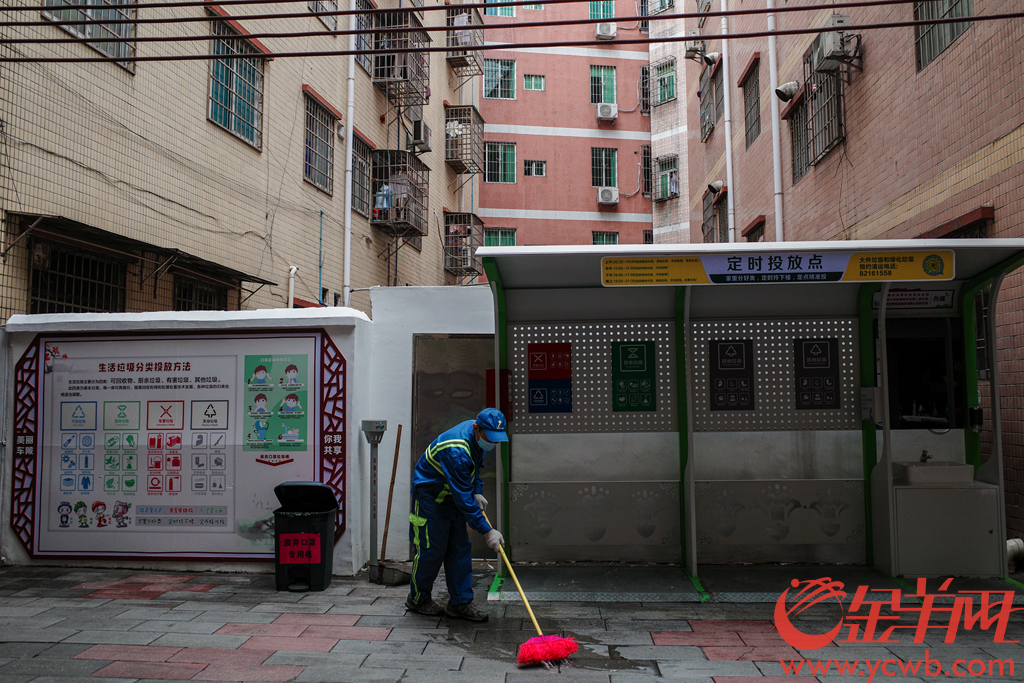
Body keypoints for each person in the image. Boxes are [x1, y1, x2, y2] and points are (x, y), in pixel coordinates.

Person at [406, 408, 507, 622]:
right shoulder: (456, 450)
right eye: (490, 438)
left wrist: (477, 490)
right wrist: (488, 531)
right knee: (431, 550)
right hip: (431, 499)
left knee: (460, 549)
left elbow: (474, 469)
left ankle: (460, 603)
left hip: (452, 497)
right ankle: (418, 599)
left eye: (496, 439)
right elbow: (464, 500)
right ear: (477, 429)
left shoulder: (477, 436)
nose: (492, 443)